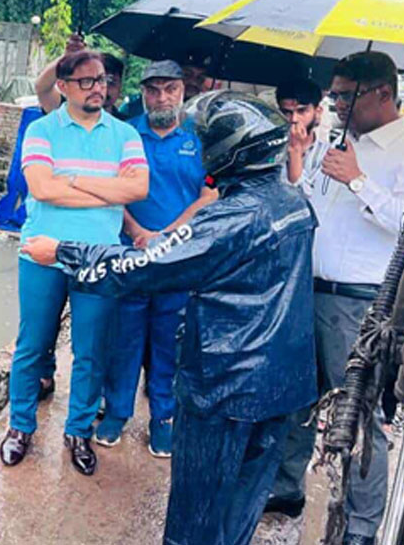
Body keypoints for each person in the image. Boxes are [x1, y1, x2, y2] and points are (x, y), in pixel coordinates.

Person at [20, 90, 317, 545]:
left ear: (228, 151)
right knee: (241, 506)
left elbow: (143, 267)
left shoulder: (232, 220)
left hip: (225, 386)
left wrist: (61, 251)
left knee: (195, 516)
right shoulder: (293, 202)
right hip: (281, 387)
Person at [265, 52, 404, 545]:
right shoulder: (336, 142)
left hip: (359, 303)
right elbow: (309, 203)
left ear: (381, 92)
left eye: (343, 94)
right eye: (333, 94)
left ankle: (360, 528)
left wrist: (357, 179)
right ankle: (287, 488)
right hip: (308, 290)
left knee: (356, 420)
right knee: (294, 401)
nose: (334, 103)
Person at [0, 49, 149, 476]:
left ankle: (79, 430)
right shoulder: (42, 130)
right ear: (63, 86)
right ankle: (20, 427)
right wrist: (107, 189)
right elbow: (42, 189)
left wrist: (76, 180)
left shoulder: (123, 135)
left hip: (99, 259)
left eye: (101, 80)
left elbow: (138, 188)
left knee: (90, 351)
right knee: (32, 346)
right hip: (42, 251)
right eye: (86, 81)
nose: (98, 88)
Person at [93, 60, 218, 457]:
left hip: (179, 258)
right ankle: (116, 412)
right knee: (124, 337)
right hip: (131, 253)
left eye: (170, 89)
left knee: (169, 343)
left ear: (183, 91)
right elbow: (111, 188)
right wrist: (136, 232)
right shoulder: (127, 134)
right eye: (153, 89)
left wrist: (167, 235)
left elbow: (209, 195)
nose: (161, 97)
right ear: (142, 92)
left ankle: (162, 419)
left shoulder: (200, 137)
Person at [34, 34, 128, 118]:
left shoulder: (125, 127)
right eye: (90, 81)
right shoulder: (63, 111)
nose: (101, 88)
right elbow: (42, 88)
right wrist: (66, 58)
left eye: (111, 82)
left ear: (120, 86)